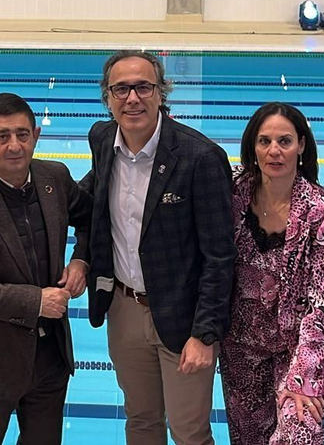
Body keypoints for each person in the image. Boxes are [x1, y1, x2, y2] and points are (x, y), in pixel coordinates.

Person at [74, 49, 234, 445]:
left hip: (182, 317)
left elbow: (220, 256)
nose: (133, 98)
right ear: (107, 97)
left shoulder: (200, 157)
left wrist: (205, 333)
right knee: (141, 422)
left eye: (143, 87)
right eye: (121, 89)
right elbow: (92, 208)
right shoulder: (101, 139)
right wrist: (81, 256)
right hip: (124, 310)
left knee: (188, 431)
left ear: (161, 93)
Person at [0, 92, 93, 445]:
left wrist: (82, 259)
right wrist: (35, 301)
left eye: (23, 135)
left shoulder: (54, 178)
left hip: (49, 356)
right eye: (3, 136)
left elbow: (92, 219)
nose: (14, 146)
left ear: (36, 135)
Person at [220, 103, 324, 445]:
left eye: (285, 141)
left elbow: (323, 305)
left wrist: (302, 376)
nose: (274, 150)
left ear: (301, 146)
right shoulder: (232, 193)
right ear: (253, 147)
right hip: (240, 351)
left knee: (299, 434)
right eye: (264, 141)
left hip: (298, 352)